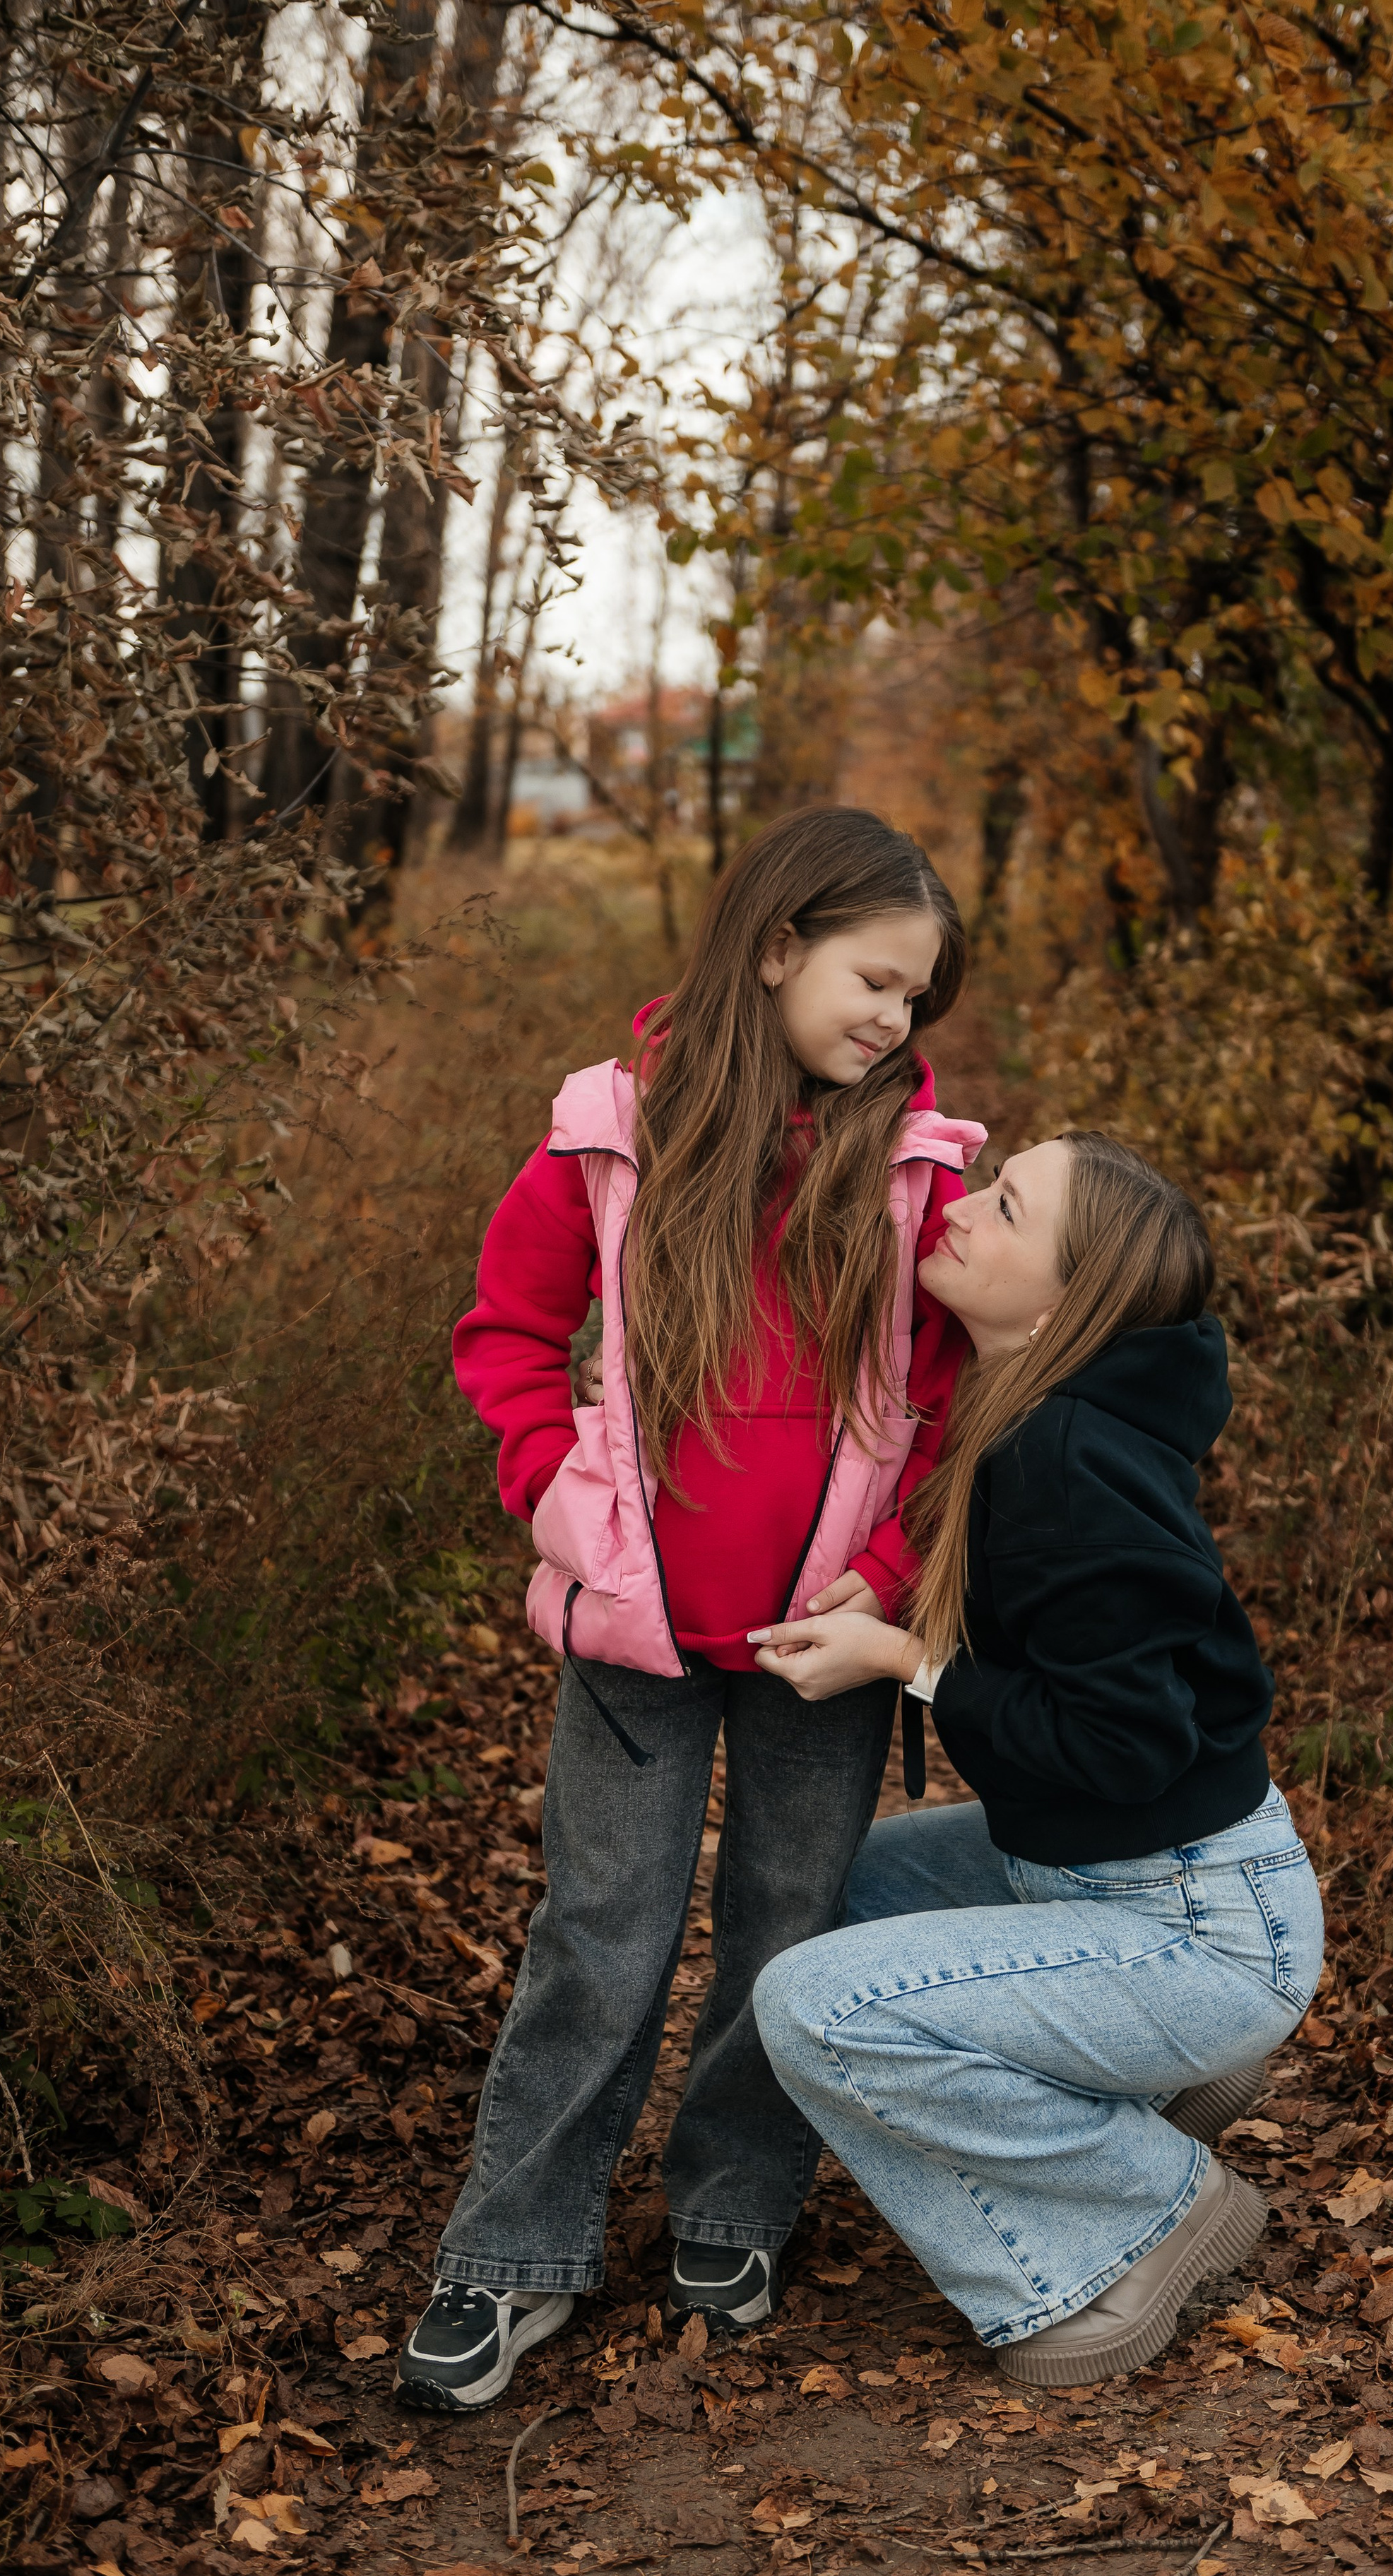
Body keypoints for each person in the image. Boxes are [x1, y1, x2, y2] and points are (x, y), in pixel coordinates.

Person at [395, 808, 984, 2412]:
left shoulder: (921, 1171)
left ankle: (731, 2205)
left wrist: (882, 1576)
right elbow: (507, 1329)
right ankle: (513, 2251)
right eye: (874, 979)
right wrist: (555, 1499)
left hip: (824, 1653)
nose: (892, 1021)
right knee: (599, 1936)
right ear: (779, 942)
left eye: (916, 1002)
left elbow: (948, 1409)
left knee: (785, 1932)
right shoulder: (609, 1131)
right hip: (633, 1635)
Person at [747, 1132, 1322, 2389]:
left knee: (815, 2007)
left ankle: (1143, 2214)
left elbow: (1126, 1742)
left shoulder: (1070, 1458)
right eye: (988, 1182)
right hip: (1111, 1877)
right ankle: (1149, 2081)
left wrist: (904, 1659)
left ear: (1067, 1303)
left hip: (1194, 1921)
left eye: (1006, 1210)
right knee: (829, 1891)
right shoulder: (1034, 1413)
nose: (961, 1211)